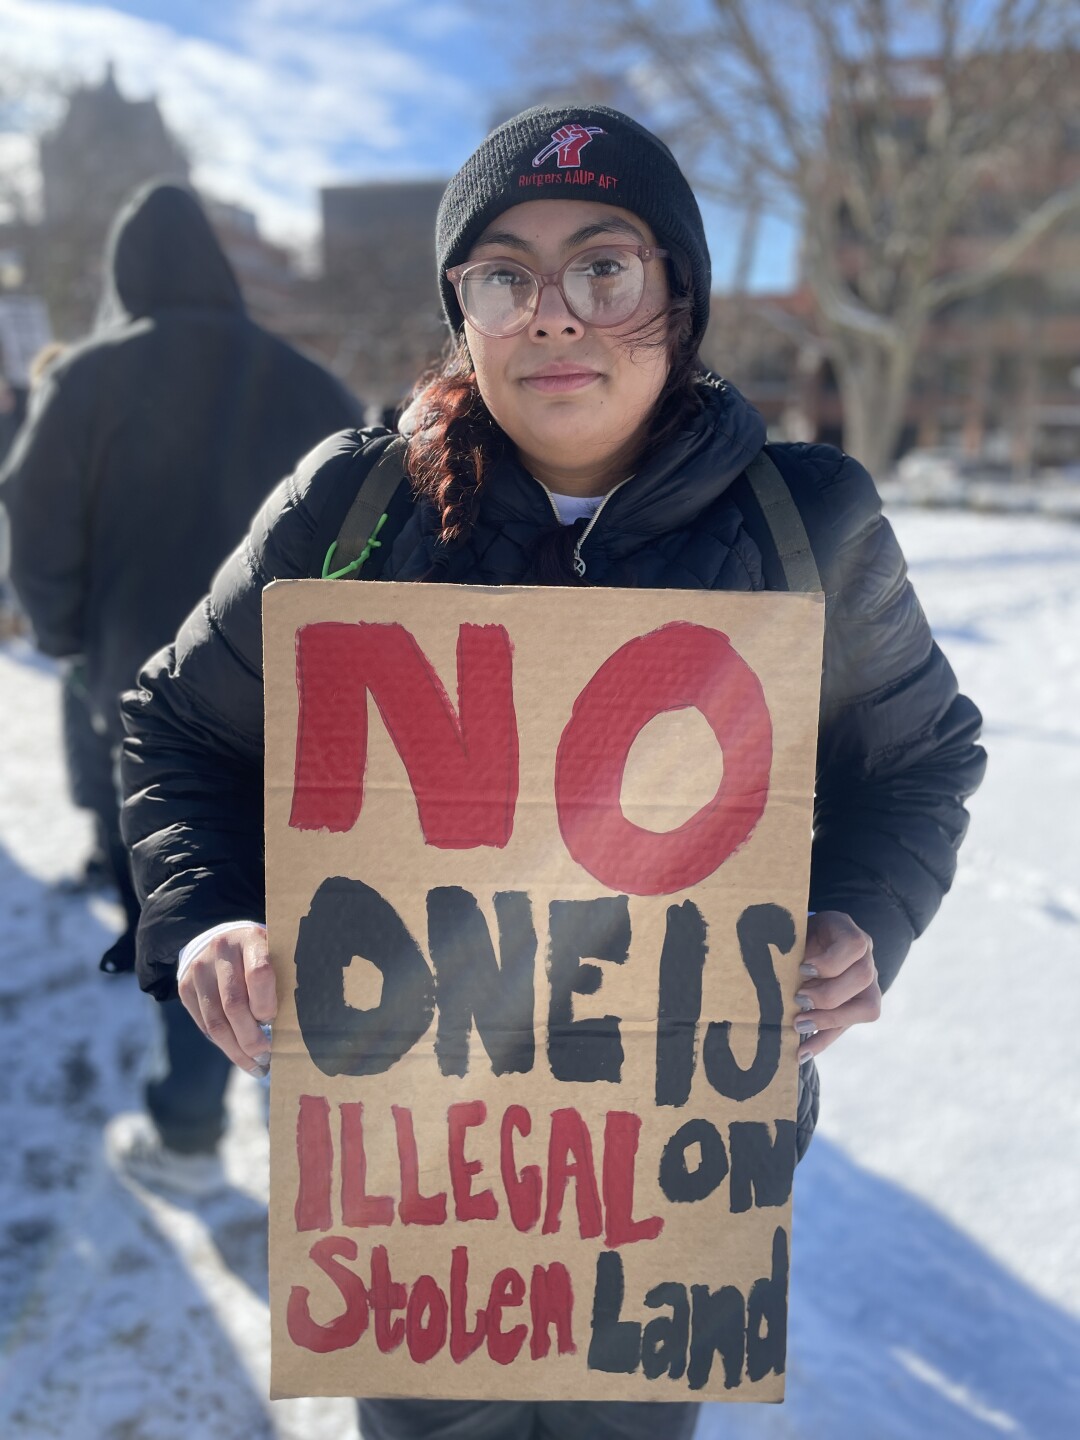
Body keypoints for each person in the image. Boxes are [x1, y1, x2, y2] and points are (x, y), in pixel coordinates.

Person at [119, 107, 985, 1438]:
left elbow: (921, 762)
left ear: (676, 296)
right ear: (463, 310)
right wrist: (210, 913)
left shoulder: (810, 527)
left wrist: (871, 915)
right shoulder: (350, 511)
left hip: (661, 1189)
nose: (554, 313)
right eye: (504, 274)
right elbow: (179, 729)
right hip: (405, 1190)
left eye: (603, 265)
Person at [0, 180, 365, 1196]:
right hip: (314, 702)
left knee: (192, 911)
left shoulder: (86, 382)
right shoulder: (312, 383)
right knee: (318, 909)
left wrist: (76, 648)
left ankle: (192, 1130)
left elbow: (33, 541)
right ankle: (329, 1154)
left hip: (148, 701)